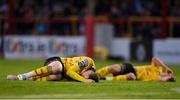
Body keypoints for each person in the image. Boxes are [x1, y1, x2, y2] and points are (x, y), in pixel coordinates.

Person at [7, 56, 99, 83]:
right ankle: (23, 76)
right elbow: (70, 72)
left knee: (57, 77)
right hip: (57, 62)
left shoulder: (87, 72)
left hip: (62, 73)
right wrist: (84, 80)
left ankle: (31, 79)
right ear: (90, 72)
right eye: (85, 76)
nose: (82, 76)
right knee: (57, 68)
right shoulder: (87, 62)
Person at [96, 57, 176, 82]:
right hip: (132, 68)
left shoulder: (157, 78)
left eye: (169, 76)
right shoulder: (158, 69)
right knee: (114, 68)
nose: (168, 74)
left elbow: (163, 80)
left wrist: (168, 78)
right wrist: (166, 67)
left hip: (135, 76)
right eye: (169, 74)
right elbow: (155, 59)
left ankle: (105, 79)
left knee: (131, 76)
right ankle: (95, 75)